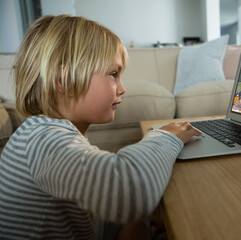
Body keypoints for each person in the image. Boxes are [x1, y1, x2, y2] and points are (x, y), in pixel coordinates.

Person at [0, 15, 201, 240]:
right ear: (64, 80)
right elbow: (129, 192)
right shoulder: (43, 139)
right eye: (113, 74)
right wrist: (165, 136)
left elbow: (90, 220)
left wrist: (140, 221)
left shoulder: (51, 133)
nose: (122, 88)